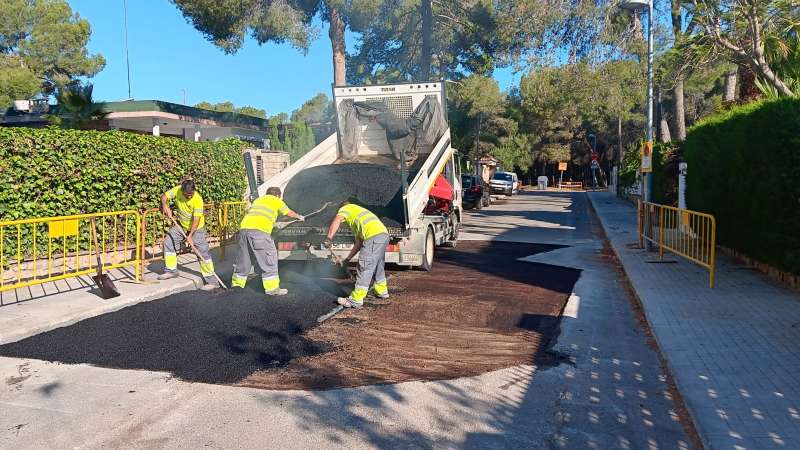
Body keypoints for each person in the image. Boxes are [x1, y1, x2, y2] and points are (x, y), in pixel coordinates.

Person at [231, 187, 305, 296]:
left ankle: (237, 285)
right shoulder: (276, 200)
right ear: (277, 195)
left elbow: (259, 216)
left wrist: (274, 224)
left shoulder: (258, 200)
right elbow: (289, 212)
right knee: (269, 258)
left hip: (243, 231)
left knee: (244, 259)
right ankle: (272, 289)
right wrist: (299, 217)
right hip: (259, 233)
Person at [324, 199, 390, 308]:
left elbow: (337, 220)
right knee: (378, 264)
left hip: (373, 236)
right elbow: (358, 243)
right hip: (383, 235)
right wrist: (348, 259)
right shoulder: (358, 214)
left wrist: (328, 238)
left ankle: (356, 299)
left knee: (364, 266)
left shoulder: (346, 208)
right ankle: (382, 291)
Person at [158, 179, 218, 290]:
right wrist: (165, 205)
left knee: (201, 252)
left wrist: (190, 236)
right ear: (182, 190)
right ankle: (171, 270)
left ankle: (212, 281)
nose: (189, 197)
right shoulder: (177, 190)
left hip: (197, 229)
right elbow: (164, 196)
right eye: (187, 195)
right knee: (169, 242)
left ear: (194, 191)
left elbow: (196, 220)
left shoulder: (198, 200)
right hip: (182, 224)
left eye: (191, 194)